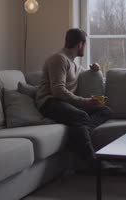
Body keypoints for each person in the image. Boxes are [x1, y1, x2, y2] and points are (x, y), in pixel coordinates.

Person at [35, 28, 115, 170]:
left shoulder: (74, 64)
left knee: (105, 110)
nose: (85, 47)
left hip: (66, 104)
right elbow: (58, 91)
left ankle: (76, 136)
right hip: (50, 102)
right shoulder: (58, 59)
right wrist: (84, 101)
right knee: (81, 116)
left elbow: (79, 72)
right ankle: (93, 162)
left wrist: (94, 68)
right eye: (85, 44)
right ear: (80, 44)